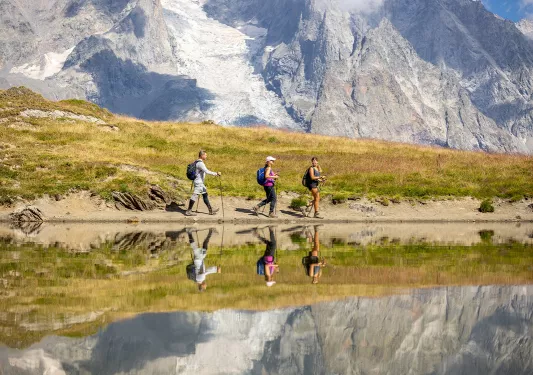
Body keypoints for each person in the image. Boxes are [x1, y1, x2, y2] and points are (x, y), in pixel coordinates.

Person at [185, 150, 221, 216]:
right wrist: (216, 173)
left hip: (200, 182)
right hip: (199, 183)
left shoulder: (197, 162)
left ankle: (211, 210)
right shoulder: (200, 163)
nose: (206, 156)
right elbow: (207, 171)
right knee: (195, 195)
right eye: (205, 155)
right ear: (202, 155)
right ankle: (188, 211)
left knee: (205, 194)